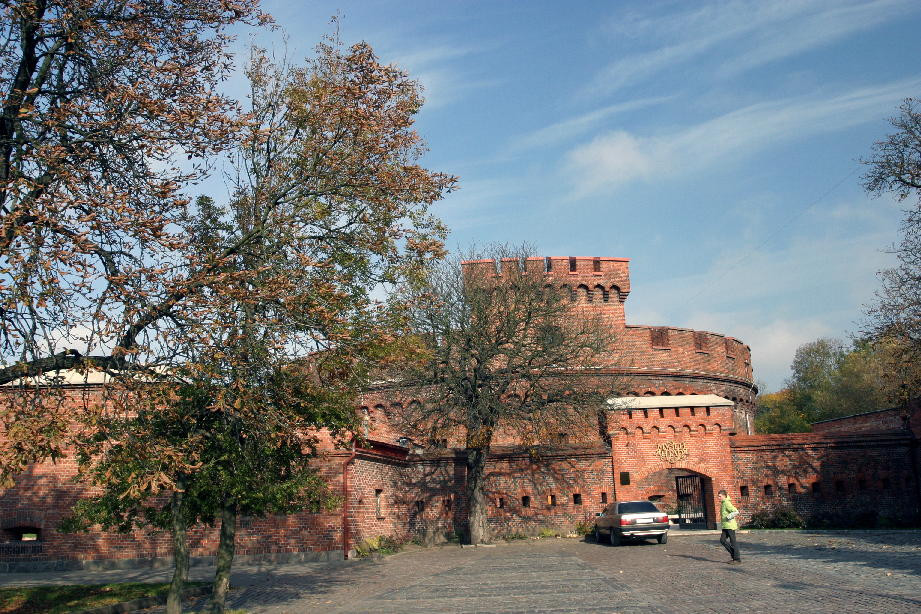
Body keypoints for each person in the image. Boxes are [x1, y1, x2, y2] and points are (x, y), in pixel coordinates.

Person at [718, 489, 741, 564]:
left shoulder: (727, 503)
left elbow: (735, 511)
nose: (718, 498)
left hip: (730, 525)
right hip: (725, 526)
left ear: (724, 496)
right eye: (718, 496)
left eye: (720, 496)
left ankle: (737, 559)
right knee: (722, 540)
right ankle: (734, 555)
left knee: (733, 542)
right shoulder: (723, 503)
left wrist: (729, 516)